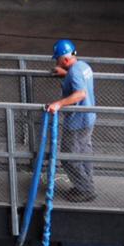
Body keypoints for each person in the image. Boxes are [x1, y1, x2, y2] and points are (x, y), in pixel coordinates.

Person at [46, 39, 97, 202]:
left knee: (69, 157)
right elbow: (78, 79)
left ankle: (86, 189)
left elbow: (80, 93)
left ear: (66, 59)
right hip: (88, 118)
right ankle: (86, 184)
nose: (57, 62)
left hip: (77, 122)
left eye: (58, 60)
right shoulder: (83, 66)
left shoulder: (74, 72)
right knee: (84, 153)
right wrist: (65, 74)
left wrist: (58, 104)